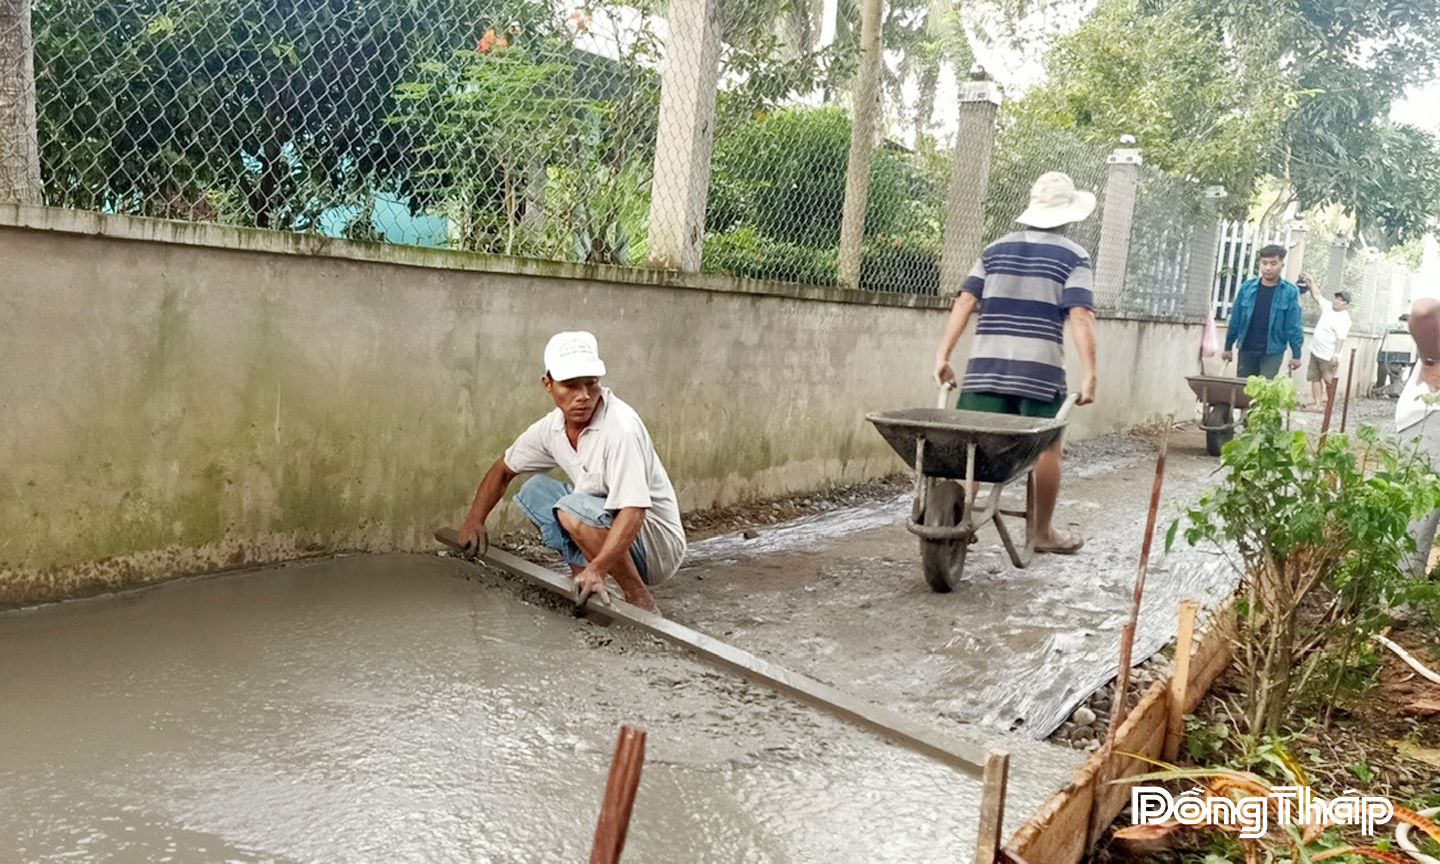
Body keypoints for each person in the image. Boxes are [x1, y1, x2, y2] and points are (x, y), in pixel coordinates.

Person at [456, 331, 686, 611]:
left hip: (656, 545)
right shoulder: (551, 428)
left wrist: (599, 568)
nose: (584, 396)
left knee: (572, 507)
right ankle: (581, 575)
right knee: (536, 491)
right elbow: (503, 470)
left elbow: (634, 510)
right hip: (605, 520)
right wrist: (474, 520)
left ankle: (639, 596)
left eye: (591, 384)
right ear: (548, 384)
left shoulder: (621, 429)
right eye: (571, 386)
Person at [933, 171, 1098, 554]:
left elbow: (965, 301)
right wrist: (1090, 374)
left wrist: (942, 356)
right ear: (1069, 216)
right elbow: (1080, 315)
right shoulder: (1074, 256)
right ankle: (1041, 532)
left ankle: (957, 517)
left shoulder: (994, 250)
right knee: (1047, 449)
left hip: (984, 368)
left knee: (972, 444)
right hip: (1039, 372)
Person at [1396, 297, 1440, 576]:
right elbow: (1423, 310)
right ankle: (1399, 600)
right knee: (1419, 513)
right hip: (1432, 416)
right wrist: (1432, 361)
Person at [1221, 245, 1304, 377]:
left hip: (1273, 351)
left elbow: (1293, 326)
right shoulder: (1246, 288)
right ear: (1259, 264)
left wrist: (1296, 354)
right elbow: (1235, 320)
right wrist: (1227, 348)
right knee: (1244, 391)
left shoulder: (1290, 292)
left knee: (1265, 391)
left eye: (1273, 263)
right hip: (1246, 349)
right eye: (1264, 263)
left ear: (1282, 265)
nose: (1268, 268)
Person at [1301, 276, 1352, 409]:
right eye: (1336, 298)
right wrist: (1311, 282)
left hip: (1328, 356)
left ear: (1346, 304)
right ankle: (1317, 403)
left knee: (1329, 381)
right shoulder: (1328, 307)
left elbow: (1341, 339)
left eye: (1341, 301)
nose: (1337, 302)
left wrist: (1336, 355)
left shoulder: (1344, 319)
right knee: (1314, 378)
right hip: (1315, 351)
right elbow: (1317, 295)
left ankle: (1329, 405)